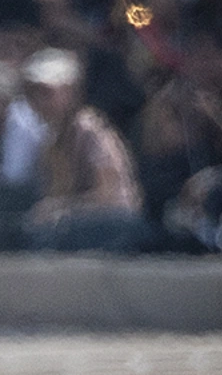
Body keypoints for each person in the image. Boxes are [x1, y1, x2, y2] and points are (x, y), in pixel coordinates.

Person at [19, 47, 149, 252]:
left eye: (46, 93)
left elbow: (108, 195)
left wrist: (60, 208)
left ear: (70, 92)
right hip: (82, 223)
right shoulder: (53, 140)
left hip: (116, 223)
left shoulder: (90, 131)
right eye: (33, 94)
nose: (38, 102)